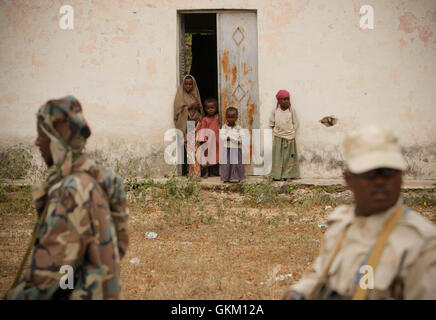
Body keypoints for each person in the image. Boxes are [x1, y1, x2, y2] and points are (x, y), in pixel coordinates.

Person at [283, 125, 436, 300]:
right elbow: (320, 274)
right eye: (369, 173)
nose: (379, 181)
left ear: (401, 176)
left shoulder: (421, 243)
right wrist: (298, 292)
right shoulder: (341, 224)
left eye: (388, 172)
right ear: (348, 179)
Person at [5, 96, 129, 300]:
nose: (37, 142)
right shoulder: (104, 177)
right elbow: (120, 246)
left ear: (57, 139)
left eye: (41, 134)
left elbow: (47, 278)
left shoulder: (70, 190)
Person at [173, 75, 204, 176]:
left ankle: (196, 172)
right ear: (183, 85)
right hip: (187, 125)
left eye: (190, 84)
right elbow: (178, 111)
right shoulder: (180, 96)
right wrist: (190, 107)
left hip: (196, 124)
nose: (188, 86)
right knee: (190, 149)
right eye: (186, 84)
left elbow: (201, 110)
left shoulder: (195, 94)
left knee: (197, 149)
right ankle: (193, 173)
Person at [269, 89, 300, 181]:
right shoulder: (275, 111)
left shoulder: (291, 111)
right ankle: (277, 175)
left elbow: (296, 123)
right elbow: (271, 123)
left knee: (289, 157)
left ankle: (288, 175)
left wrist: (293, 132)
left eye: (288, 99)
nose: (286, 101)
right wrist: (274, 132)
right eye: (284, 99)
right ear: (278, 101)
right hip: (278, 137)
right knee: (278, 157)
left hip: (290, 137)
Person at [219, 107, 246, 183]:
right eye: (229, 117)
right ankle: (226, 177)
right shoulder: (224, 127)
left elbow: (242, 137)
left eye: (233, 117)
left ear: (236, 118)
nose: (231, 119)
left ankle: (238, 177)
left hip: (236, 149)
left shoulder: (238, 128)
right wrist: (229, 138)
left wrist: (234, 139)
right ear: (226, 118)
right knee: (227, 163)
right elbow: (222, 136)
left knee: (237, 163)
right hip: (227, 149)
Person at [195, 97, 220, 178]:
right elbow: (202, 130)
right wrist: (203, 140)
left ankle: (213, 172)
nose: (210, 110)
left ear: (216, 108)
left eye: (212, 108)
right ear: (205, 109)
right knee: (207, 157)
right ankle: (206, 172)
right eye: (208, 108)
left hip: (217, 141)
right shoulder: (205, 119)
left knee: (216, 156)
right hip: (208, 142)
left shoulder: (218, 117)